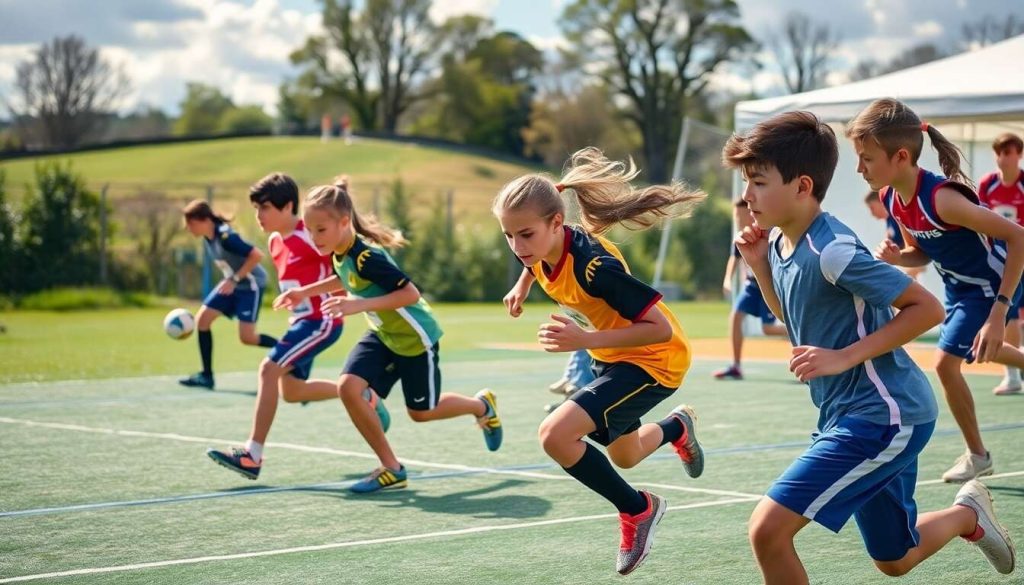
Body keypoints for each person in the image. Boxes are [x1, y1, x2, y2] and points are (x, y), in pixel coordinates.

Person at [725, 109, 1015, 585]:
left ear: (801, 187)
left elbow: (926, 308)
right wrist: (758, 266)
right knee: (895, 558)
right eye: (746, 182)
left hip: (885, 416)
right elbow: (795, 317)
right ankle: (968, 515)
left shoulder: (834, 250)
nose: (746, 195)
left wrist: (843, 357)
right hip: (851, 413)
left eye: (758, 181)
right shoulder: (778, 243)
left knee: (767, 530)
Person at [495, 147, 706, 575]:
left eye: (525, 235)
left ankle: (638, 509)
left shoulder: (595, 266)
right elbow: (535, 259)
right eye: (509, 236)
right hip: (611, 358)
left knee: (555, 434)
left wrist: (583, 338)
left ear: (556, 223)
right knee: (625, 456)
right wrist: (523, 283)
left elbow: (659, 327)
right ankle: (676, 428)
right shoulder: (544, 248)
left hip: (654, 361)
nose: (517, 247)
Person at [274, 177, 503, 494]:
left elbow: (410, 294)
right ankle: (392, 469)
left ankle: (481, 406)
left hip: (414, 339)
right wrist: (305, 292)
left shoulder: (367, 257)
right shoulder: (339, 252)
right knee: (348, 387)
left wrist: (359, 305)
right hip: (383, 334)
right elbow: (346, 280)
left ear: (344, 222)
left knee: (421, 413)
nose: (314, 238)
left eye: (320, 230)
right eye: (310, 230)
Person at [848, 98, 1024, 482]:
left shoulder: (942, 198)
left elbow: (1018, 237)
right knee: (982, 352)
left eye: (867, 158)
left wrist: (999, 312)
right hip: (958, 290)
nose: (859, 168)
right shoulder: (891, 197)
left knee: (946, 363)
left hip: (989, 286)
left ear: (900, 157)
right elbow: (921, 254)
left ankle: (978, 455)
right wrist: (898, 259)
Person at [205, 173, 388, 479]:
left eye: (264, 208)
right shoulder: (276, 242)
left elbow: (345, 271)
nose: (258, 215)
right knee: (290, 391)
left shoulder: (310, 234)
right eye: (255, 209)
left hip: (322, 321)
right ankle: (364, 395)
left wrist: (332, 297)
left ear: (287, 206)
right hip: (302, 322)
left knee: (267, 369)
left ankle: (253, 455)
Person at [179, 200, 275, 389]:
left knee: (247, 338)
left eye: (191, 224)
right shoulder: (209, 237)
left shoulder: (226, 237)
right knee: (203, 320)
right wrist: (232, 281)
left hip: (250, 286)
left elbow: (256, 255)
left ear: (204, 220)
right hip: (232, 284)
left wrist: (235, 280)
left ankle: (291, 352)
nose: (188, 229)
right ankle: (207, 376)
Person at [713, 198, 788, 380]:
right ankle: (736, 366)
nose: (737, 218)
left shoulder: (769, 234)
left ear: (750, 212)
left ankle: (800, 332)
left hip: (767, 285)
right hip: (750, 286)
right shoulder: (741, 235)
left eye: (740, 214)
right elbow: (734, 259)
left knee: (768, 329)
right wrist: (727, 281)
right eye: (735, 215)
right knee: (736, 317)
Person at [977, 132, 1024, 395]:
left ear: (1019, 154)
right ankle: (1013, 375)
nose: (1002, 158)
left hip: (1022, 254)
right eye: (998, 152)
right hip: (1001, 262)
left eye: (1008, 152)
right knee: (1011, 316)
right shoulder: (987, 184)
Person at [863, 190, 924, 281]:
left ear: (880, 202)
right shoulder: (889, 224)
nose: (872, 213)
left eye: (872, 208)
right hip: (907, 263)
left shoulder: (897, 216)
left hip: (918, 261)